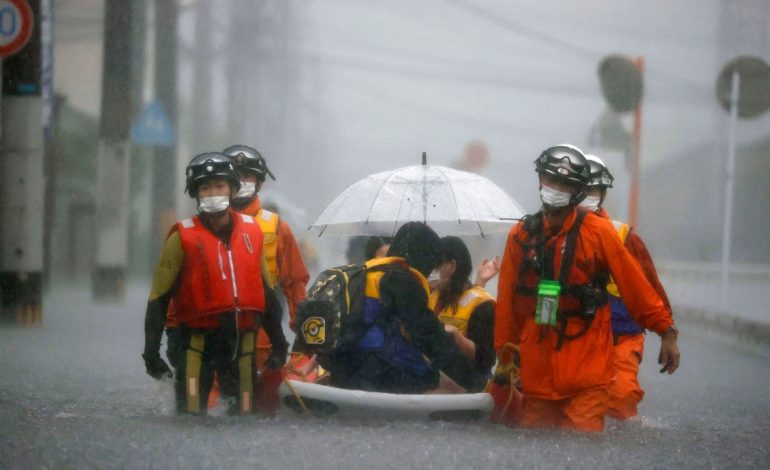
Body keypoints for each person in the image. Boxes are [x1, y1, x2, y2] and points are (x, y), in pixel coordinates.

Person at [495, 144, 680, 432]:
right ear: (540, 180)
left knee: (583, 448)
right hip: (538, 368)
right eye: (550, 180)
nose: (555, 188)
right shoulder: (520, 236)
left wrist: (666, 331)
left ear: (577, 191)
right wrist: (506, 358)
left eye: (564, 183)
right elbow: (507, 303)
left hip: (587, 365)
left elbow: (636, 287)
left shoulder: (600, 232)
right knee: (534, 445)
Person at [141, 152, 288, 415]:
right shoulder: (181, 237)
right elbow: (158, 299)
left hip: (242, 345)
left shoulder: (253, 232)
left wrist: (279, 343)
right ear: (195, 193)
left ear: (232, 189)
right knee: (191, 416)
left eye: (219, 185)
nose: (212, 193)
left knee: (244, 417)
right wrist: (151, 354)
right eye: (205, 187)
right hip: (196, 345)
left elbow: (266, 293)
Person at [579, 154, 674, 421]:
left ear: (602, 194)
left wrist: (667, 333)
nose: (586, 195)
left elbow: (650, 287)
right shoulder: (551, 234)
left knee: (620, 398)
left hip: (622, 337)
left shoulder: (623, 236)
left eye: (592, 189)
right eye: (581, 189)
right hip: (576, 339)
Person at [326, 222, 467, 394]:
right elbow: (427, 333)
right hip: (379, 371)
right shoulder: (403, 279)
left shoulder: (367, 271)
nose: (431, 269)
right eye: (432, 263)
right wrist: (459, 365)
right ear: (423, 255)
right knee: (441, 383)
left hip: (344, 366)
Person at [223, 145, 309, 368]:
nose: (240, 180)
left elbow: (295, 283)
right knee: (208, 401)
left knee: (263, 401)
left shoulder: (277, 227)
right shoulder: (202, 228)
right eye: (234, 175)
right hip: (213, 340)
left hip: (264, 342)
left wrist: (302, 335)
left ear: (259, 182)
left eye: (247, 175)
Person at [428, 236, 496, 392]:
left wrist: (456, 336)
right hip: (435, 378)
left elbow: (486, 360)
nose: (432, 270)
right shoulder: (431, 294)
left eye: (437, 264)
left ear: (452, 266)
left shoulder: (482, 305)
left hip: (469, 383)